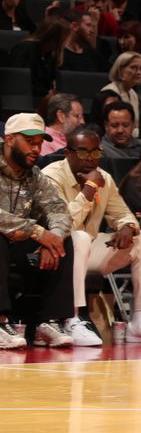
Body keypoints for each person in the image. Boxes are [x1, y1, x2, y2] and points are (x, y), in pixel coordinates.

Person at [42, 128, 141, 344]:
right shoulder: (51, 176)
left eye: (95, 153)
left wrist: (127, 227)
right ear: (68, 153)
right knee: (79, 238)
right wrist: (89, 189)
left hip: (89, 249)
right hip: (61, 251)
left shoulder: (104, 177)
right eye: (83, 152)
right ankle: (72, 319)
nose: (90, 159)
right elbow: (63, 224)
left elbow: (123, 214)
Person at [0, 114, 75, 349]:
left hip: (18, 251)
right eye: (30, 142)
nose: (37, 148)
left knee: (65, 242)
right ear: (10, 139)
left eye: (40, 142)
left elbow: (59, 210)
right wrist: (37, 231)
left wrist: (51, 240)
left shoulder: (35, 176)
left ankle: (48, 323)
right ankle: (0, 323)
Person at [8, 17, 69, 97]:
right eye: (66, 37)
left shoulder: (50, 55)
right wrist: (47, 94)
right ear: (55, 37)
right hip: (23, 99)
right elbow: (18, 83)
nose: (67, 41)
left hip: (40, 99)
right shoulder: (26, 49)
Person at [103, 51, 141, 135]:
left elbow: (135, 126)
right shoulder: (110, 93)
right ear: (120, 70)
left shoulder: (133, 93)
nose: (138, 72)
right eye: (133, 68)